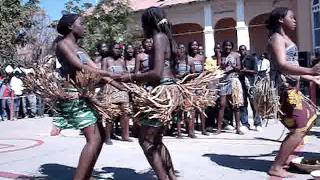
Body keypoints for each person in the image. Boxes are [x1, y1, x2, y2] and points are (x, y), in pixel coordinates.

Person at [55, 13, 121, 179]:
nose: (84, 27)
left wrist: (123, 86)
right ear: (70, 26)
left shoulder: (81, 49)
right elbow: (81, 67)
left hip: (85, 95)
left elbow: (98, 72)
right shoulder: (63, 45)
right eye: (81, 23)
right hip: (72, 96)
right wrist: (109, 73)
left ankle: (86, 175)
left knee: (99, 138)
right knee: (93, 139)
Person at [118, 7, 177, 180]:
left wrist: (131, 77)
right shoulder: (167, 38)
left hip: (163, 91)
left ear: (148, 23)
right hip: (168, 89)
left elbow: (157, 73)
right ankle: (171, 176)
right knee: (156, 140)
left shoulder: (158, 38)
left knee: (146, 140)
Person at [266, 7, 320, 178]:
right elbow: (282, 65)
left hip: (292, 89)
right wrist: (311, 71)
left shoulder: (286, 38)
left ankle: (284, 159)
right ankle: (276, 166)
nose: (295, 20)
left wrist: (310, 78)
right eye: (292, 17)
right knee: (301, 126)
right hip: (283, 91)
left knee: (307, 120)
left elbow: (292, 68)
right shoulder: (276, 38)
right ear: (281, 20)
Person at [102, 42, 131, 142]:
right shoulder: (106, 60)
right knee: (110, 112)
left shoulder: (122, 61)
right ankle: (107, 137)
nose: (117, 50)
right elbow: (103, 75)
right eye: (115, 48)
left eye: (119, 49)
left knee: (125, 112)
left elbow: (125, 73)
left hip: (122, 89)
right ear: (111, 49)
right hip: (110, 87)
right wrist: (114, 79)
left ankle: (125, 136)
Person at [216, 40, 243, 134]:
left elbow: (239, 68)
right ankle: (219, 128)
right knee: (222, 105)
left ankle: (238, 128)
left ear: (232, 46)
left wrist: (232, 67)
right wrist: (223, 66)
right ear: (224, 46)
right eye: (226, 45)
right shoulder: (220, 54)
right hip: (223, 81)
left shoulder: (236, 55)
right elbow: (218, 67)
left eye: (229, 45)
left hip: (233, 80)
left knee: (236, 105)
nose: (228, 47)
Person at [238, 45, 262, 131]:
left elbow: (255, 71)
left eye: (243, 50)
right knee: (243, 104)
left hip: (251, 83)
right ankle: (245, 123)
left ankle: (257, 123)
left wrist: (245, 71)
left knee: (254, 103)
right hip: (241, 84)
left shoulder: (251, 58)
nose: (242, 51)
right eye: (240, 50)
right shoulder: (239, 59)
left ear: (246, 50)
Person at [187, 40, 208, 135]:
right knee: (191, 108)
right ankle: (191, 130)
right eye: (193, 45)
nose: (194, 47)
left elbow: (203, 71)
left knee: (201, 107)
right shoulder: (187, 58)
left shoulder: (201, 57)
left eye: (196, 45)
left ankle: (203, 129)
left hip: (200, 84)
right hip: (190, 85)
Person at [175, 43, 195, 138]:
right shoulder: (174, 61)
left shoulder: (190, 60)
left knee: (189, 109)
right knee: (179, 109)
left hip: (187, 87)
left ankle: (190, 131)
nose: (181, 50)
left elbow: (194, 74)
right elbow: (170, 73)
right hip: (177, 87)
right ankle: (179, 132)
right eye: (179, 48)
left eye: (183, 48)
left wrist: (187, 76)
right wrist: (178, 77)